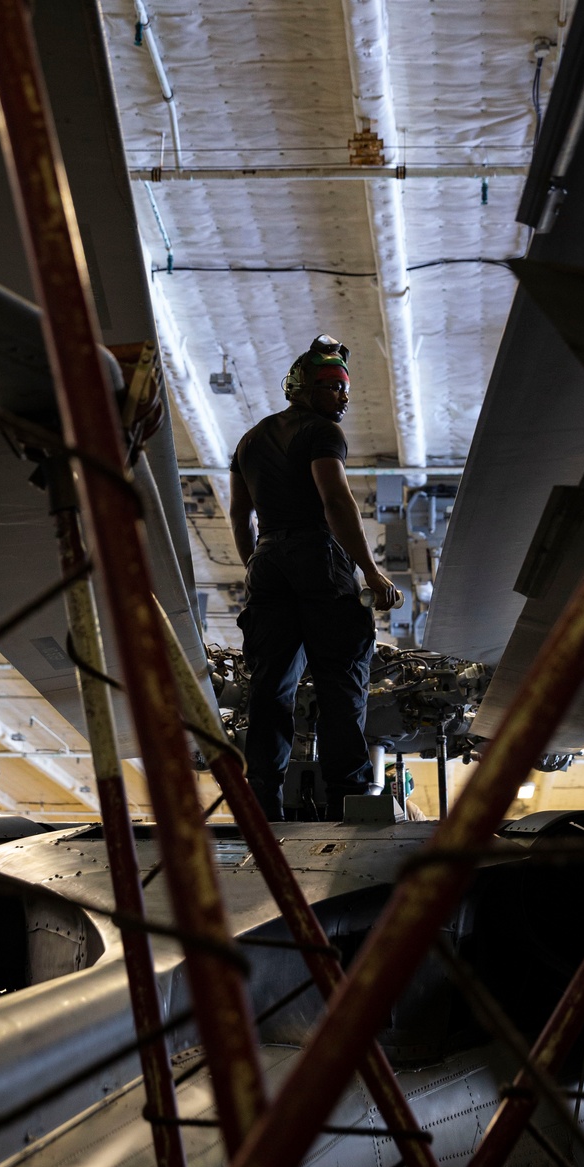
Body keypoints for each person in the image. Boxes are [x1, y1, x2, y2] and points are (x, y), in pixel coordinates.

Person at [229, 335, 400, 821]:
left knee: (269, 687)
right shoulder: (322, 433)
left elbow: (241, 516)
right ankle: (347, 801)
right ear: (301, 388)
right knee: (340, 684)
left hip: (267, 563)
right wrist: (370, 570)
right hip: (319, 559)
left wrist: (254, 565)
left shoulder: (249, 440)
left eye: (344, 387)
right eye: (331, 386)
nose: (342, 395)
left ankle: (262, 802)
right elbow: (335, 500)